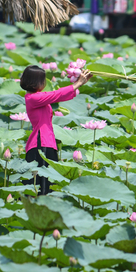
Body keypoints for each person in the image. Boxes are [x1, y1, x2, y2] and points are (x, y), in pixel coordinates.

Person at [21, 65, 92, 195]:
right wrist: (77, 83)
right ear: (35, 82)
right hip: (40, 144)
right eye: (42, 81)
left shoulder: (37, 97)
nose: (44, 83)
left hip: (47, 142)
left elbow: (57, 97)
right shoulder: (33, 98)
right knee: (41, 186)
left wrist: (80, 83)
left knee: (50, 181)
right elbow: (55, 94)